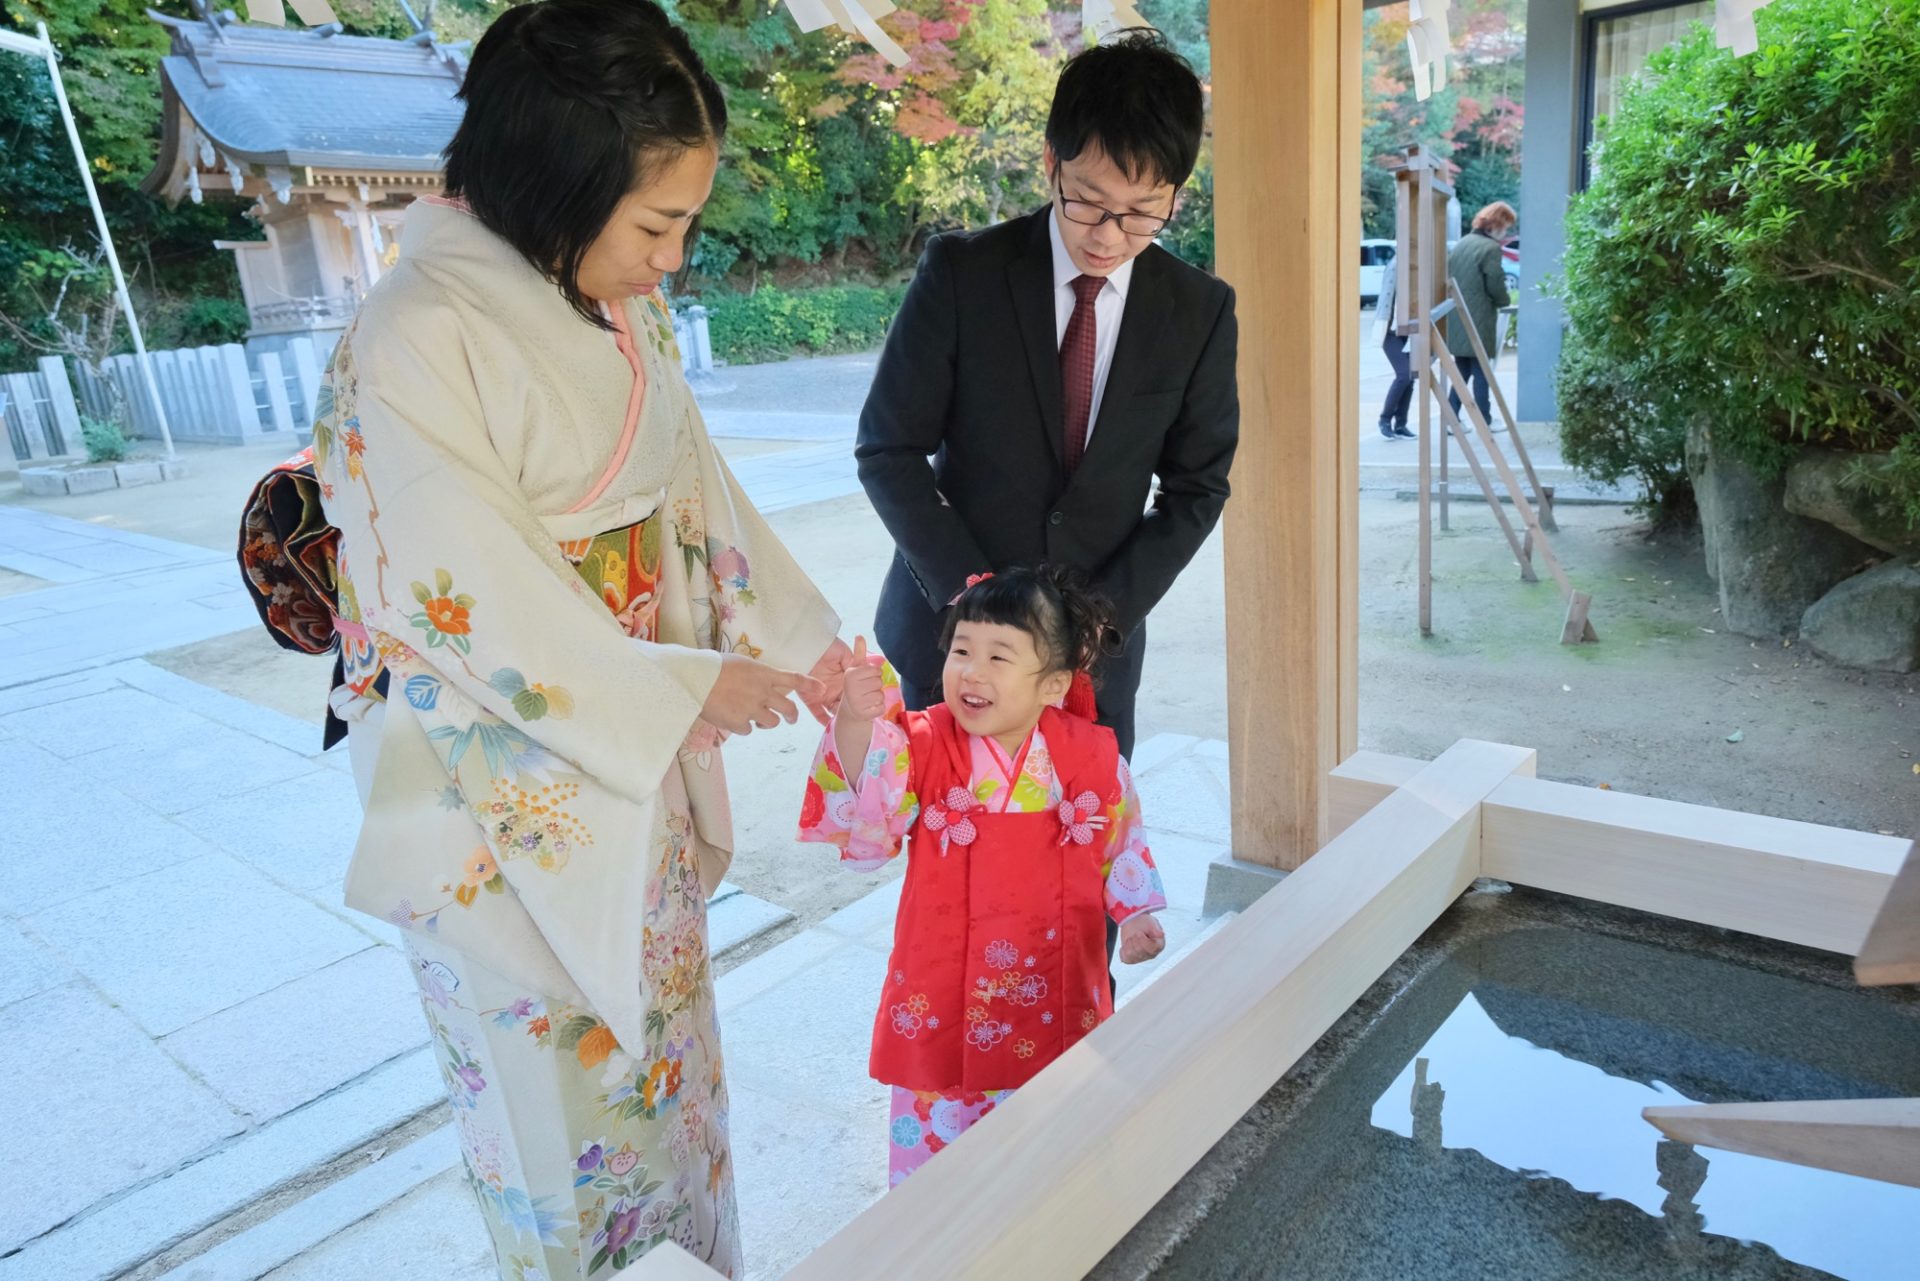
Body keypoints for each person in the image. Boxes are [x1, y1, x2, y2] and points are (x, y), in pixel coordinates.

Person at [315, 3, 850, 1275]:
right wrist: (673, 683)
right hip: (490, 784)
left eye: (686, 226)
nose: (673, 259)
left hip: (635, 759)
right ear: (556, 186)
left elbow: (691, 490)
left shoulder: (617, 308)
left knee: (676, 1073)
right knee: (546, 1089)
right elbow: (456, 588)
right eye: (656, 225)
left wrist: (796, 643)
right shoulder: (410, 337)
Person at [857, 29, 1238, 767]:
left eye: (1143, 212)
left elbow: (1197, 487)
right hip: (952, 647)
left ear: (1175, 195)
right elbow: (887, 448)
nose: (1111, 235)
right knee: (953, 865)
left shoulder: (1198, 310)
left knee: (1079, 868)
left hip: (1093, 663)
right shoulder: (964, 274)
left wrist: (1097, 623)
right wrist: (972, 594)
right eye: (1089, 203)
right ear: (1051, 163)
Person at [796, 569, 1169, 1185]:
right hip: (944, 978)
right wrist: (857, 726)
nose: (971, 670)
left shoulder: (1090, 755)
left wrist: (1136, 915)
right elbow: (875, 811)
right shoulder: (923, 743)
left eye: (999, 656)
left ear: (1053, 684)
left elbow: (1120, 840)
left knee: (1046, 1141)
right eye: (961, 650)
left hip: (1049, 979)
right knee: (941, 1149)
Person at [1445, 200, 1517, 426]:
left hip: (1457, 316)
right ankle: (1485, 419)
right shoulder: (1490, 248)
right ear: (1497, 224)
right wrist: (1503, 301)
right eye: (1505, 226)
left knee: (1463, 370)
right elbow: (1495, 282)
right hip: (1479, 318)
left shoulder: (1463, 243)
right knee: (1482, 371)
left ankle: (1451, 418)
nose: (1506, 232)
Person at [1372, 261, 1416, 440]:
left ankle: (1400, 425)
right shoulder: (1397, 264)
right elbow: (1388, 295)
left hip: (1408, 328)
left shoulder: (1417, 264)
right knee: (1404, 375)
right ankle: (1384, 419)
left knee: (1410, 377)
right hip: (1390, 330)